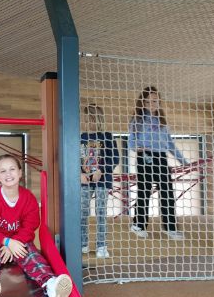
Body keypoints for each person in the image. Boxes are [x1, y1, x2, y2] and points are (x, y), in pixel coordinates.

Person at [0, 153, 72, 297]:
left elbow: (30, 226)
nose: (8, 174)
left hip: (18, 241)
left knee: (29, 251)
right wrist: (7, 242)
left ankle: (50, 285)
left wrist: (14, 243)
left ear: (20, 173)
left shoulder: (28, 198)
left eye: (12, 169)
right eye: (3, 171)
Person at [128, 86, 190, 240]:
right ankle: (138, 225)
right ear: (143, 103)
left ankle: (170, 228)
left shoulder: (162, 122)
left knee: (167, 193)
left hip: (161, 158)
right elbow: (131, 141)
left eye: (155, 101)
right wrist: (138, 148)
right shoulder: (138, 120)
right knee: (144, 191)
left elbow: (170, 144)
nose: (152, 104)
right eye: (148, 101)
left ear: (159, 102)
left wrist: (183, 161)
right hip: (145, 157)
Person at [80, 104, 119, 258]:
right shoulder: (80, 137)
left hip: (103, 181)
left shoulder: (107, 137)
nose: (89, 123)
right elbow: (75, 157)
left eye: (92, 119)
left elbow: (114, 158)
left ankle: (101, 245)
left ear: (99, 120)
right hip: (84, 180)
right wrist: (79, 173)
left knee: (101, 212)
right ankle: (82, 243)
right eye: (86, 119)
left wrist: (101, 170)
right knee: (82, 210)